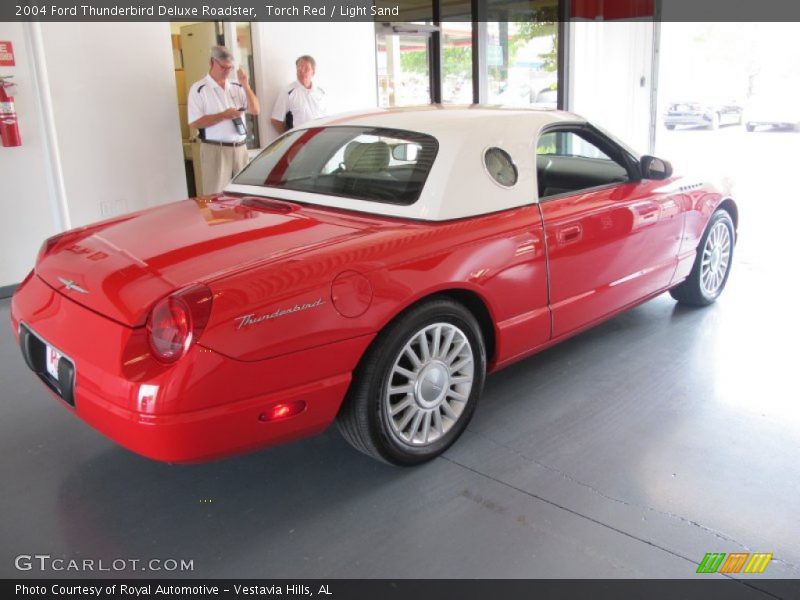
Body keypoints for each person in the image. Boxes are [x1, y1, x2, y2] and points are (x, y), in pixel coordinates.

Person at [187, 45, 260, 195]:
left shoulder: (236, 86)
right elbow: (195, 123)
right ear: (211, 62)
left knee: (245, 194)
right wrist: (223, 116)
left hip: (240, 148)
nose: (227, 71)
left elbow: (255, 110)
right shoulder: (199, 89)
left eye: (230, 68)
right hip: (215, 149)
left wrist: (245, 84)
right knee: (216, 196)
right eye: (223, 67)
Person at [271, 55, 327, 133]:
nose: (302, 71)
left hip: (319, 136)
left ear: (313, 72)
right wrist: (289, 138)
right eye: (299, 68)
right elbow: (276, 120)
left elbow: (325, 117)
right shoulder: (288, 92)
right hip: (301, 138)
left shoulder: (320, 92)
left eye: (306, 68)